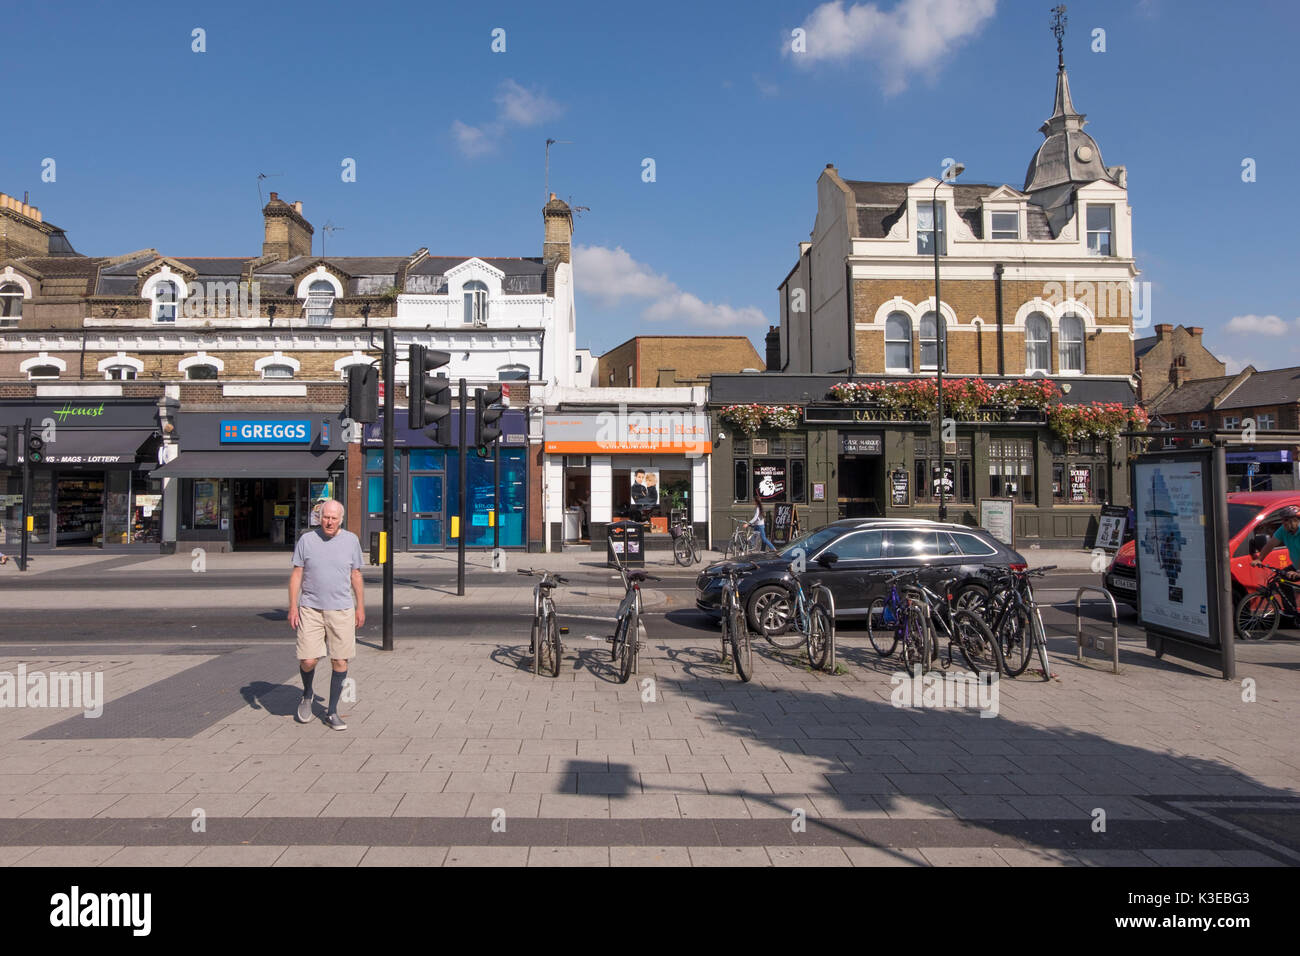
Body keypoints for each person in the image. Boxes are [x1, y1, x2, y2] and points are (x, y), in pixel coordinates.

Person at [288, 499, 365, 730]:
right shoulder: (307, 540)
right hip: (310, 608)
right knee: (308, 659)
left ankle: (331, 712)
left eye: (333, 518)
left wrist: (360, 606)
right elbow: (296, 574)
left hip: (341, 608)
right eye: (325, 517)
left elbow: (356, 575)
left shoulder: (351, 540)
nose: (329, 521)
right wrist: (293, 606)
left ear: (341, 519)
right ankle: (307, 694)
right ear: (319, 518)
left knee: (340, 660)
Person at [1251, 505, 1300, 584]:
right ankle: (1288, 597)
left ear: (1296, 520)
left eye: (1286, 520)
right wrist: (1259, 559)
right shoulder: (1284, 529)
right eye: (1282, 520)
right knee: (1280, 579)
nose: (1283, 522)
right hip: (1297, 566)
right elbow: (1270, 544)